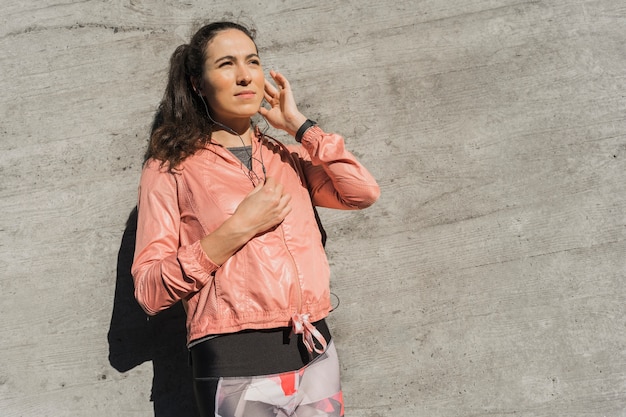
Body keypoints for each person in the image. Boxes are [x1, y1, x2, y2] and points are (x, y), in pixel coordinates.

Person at [131, 20, 380, 417]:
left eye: (253, 61)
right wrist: (236, 229)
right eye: (227, 64)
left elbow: (361, 192)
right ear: (198, 83)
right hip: (236, 366)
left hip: (315, 352)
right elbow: (149, 290)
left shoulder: (285, 156)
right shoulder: (170, 168)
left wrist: (300, 127)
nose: (245, 75)